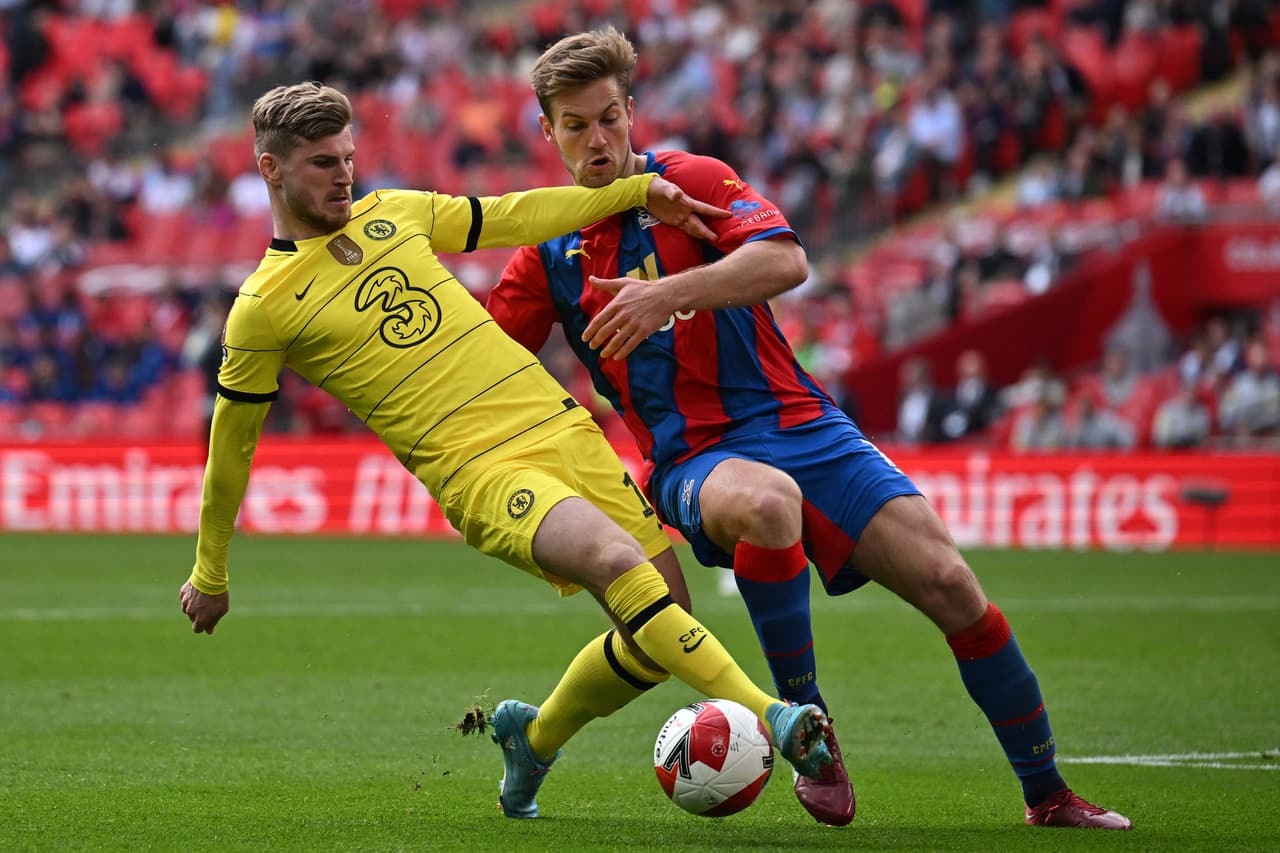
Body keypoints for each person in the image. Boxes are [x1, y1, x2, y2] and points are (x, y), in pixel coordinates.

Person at [487, 27, 1132, 831]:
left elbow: (787, 261)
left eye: (609, 118)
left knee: (952, 585)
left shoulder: (691, 180)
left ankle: (1049, 794)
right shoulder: (546, 251)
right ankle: (808, 726)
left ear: (632, 111)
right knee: (767, 504)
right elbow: (484, 362)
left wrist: (669, 293)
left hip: (805, 422)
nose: (598, 140)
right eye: (576, 125)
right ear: (547, 132)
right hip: (695, 456)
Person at [175, 81, 834, 819]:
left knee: (658, 628)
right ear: (270, 169)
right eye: (323, 163)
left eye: (348, 157)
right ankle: (773, 714)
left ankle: (534, 738)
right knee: (615, 561)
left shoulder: (394, 211)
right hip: (480, 470)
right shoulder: (263, 308)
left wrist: (637, 190)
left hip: (562, 430)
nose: (344, 175)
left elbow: (518, 213)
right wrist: (210, 569)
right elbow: (231, 447)